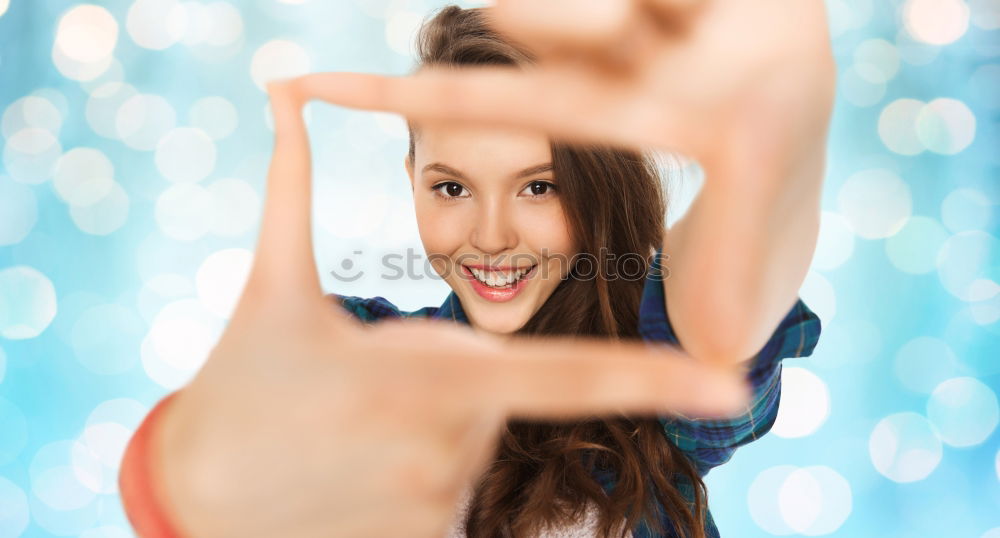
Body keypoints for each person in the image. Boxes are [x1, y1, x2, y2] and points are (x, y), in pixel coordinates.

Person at [118, 1, 833, 537]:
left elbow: (721, 315)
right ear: (411, 175)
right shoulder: (362, 349)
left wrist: (780, 125)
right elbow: (210, 480)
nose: (490, 237)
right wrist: (198, 471)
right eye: (452, 188)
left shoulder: (651, 373)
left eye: (539, 186)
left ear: (596, 185)